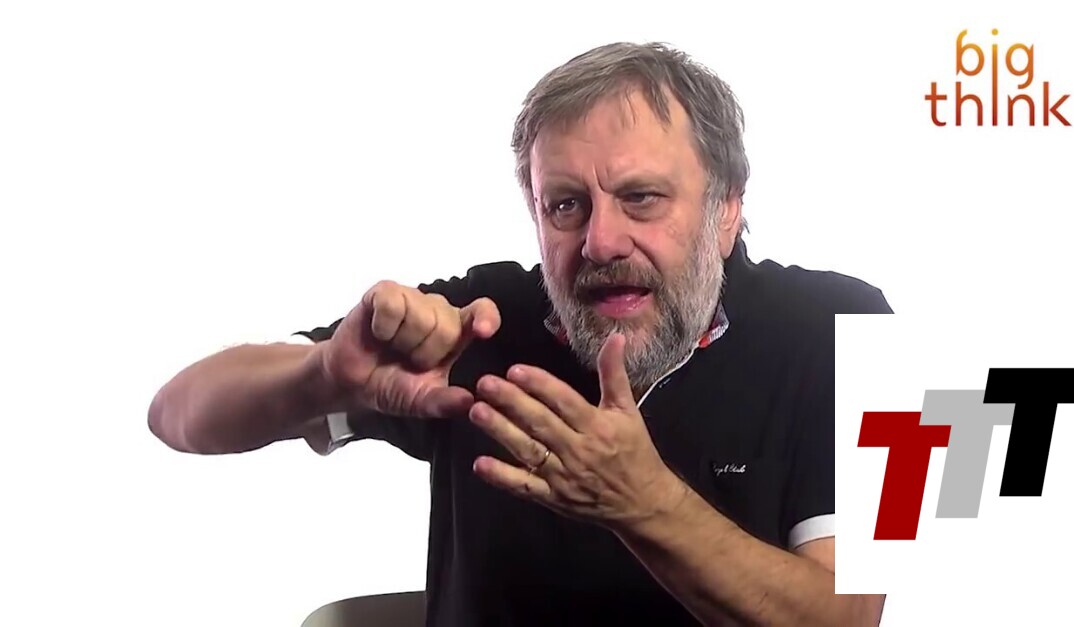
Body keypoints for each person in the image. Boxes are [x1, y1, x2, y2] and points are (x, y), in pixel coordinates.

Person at [149, 41, 891, 626]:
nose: (600, 241)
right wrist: (323, 377)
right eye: (565, 205)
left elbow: (857, 614)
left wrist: (644, 502)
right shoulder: (476, 319)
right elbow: (174, 414)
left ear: (726, 208)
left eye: (640, 197)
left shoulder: (866, 330)